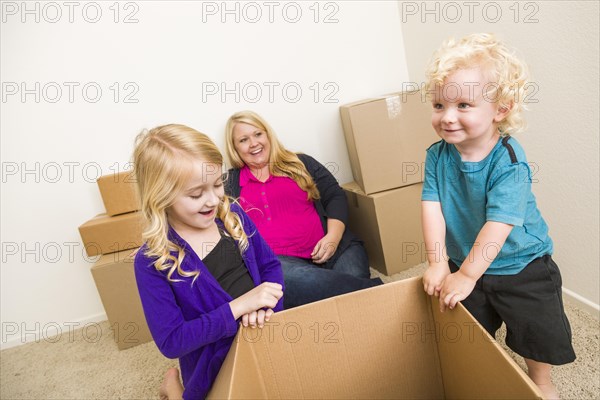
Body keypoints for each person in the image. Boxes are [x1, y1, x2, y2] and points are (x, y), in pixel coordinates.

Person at [421, 33, 575, 399]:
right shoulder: (436, 156)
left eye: (463, 105)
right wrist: (439, 263)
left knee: (535, 331)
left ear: (500, 110)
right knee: (467, 327)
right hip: (464, 260)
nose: (448, 117)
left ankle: (540, 380)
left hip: (521, 264)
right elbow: (432, 206)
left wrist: (468, 274)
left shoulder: (509, 161)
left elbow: (499, 224)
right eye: (439, 105)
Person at [132, 124, 284, 400]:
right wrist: (238, 308)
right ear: (161, 197)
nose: (214, 199)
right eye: (196, 194)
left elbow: (271, 267)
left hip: (265, 335)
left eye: (217, 184)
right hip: (214, 366)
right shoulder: (151, 261)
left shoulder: (233, 214)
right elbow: (172, 340)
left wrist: (266, 308)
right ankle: (174, 386)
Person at [224, 111, 382, 309]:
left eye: (258, 134)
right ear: (235, 148)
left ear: (267, 135)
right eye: (243, 140)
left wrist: (333, 238)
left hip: (337, 249)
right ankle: (382, 292)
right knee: (290, 282)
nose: (254, 143)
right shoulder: (229, 184)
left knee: (346, 293)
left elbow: (335, 196)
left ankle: (367, 297)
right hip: (283, 265)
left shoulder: (300, 162)